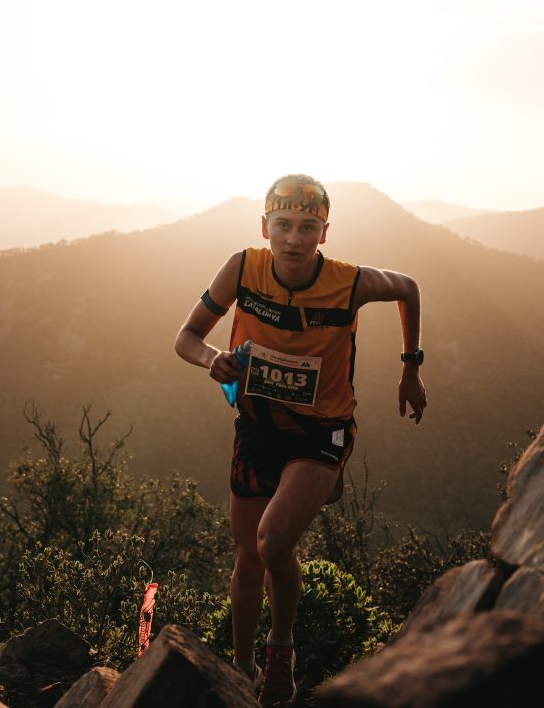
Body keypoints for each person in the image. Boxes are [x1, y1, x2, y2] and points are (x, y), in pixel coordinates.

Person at [173, 174, 428, 708]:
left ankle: (281, 654)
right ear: (264, 226)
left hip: (321, 431)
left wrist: (410, 369)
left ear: (324, 233)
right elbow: (187, 338)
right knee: (247, 559)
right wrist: (212, 360)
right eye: (283, 225)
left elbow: (408, 287)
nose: (293, 238)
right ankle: (242, 671)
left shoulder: (349, 282)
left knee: (273, 540)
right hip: (257, 428)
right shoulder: (242, 268)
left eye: (307, 227)